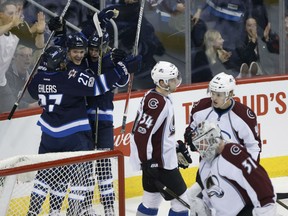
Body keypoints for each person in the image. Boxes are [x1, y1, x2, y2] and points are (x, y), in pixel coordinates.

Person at [26, 42, 132, 215]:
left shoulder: (38, 80)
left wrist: (45, 64)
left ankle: (37, 212)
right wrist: (121, 70)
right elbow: (98, 86)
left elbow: (32, 91)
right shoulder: (69, 78)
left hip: (49, 136)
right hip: (73, 136)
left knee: (45, 178)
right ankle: (73, 212)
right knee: (79, 179)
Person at [184, 72, 262, 204]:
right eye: (212, 93)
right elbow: (190, 131)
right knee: (195, 202)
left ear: (230, 94)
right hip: (207, 169)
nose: (214, 98)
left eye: (219, 95)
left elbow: (253, 147)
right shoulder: (200, 108)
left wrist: (249, 172)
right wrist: (191, 139)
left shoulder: (244, 116)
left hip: (233, 171)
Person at [130, 61, 192, 216]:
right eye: (172, 79)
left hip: (155, 162)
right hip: (160, 165)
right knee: (182, 204)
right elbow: (141, 135)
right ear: (163, 82)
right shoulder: (157, 102)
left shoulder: (160, 97)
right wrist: (147, 162)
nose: (176, 81)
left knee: (150, 202)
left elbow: (159, 134)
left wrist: (174, 148)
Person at [188, 120, 277, 216]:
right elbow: (212, 195)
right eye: (198, 146)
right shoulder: (204, 166)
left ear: (212, 138)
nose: (201, 149)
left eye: (202, 143)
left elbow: (258, 179)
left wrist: (266, 206)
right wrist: (202, 205)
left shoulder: (230, 153)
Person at [0, 0, 45, 113]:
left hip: (1, 82)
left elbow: (39, 46)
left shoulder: (16, 33)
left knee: (12, 114)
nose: (14, 17)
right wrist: (11, 24)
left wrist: (40, 32)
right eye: (11, 14)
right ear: (1, 14)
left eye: (16, 14)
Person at [6, 44, 38, 109]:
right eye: (23, 55)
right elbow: (7, 99)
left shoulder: (33, 74)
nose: (28, 58)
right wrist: (29, 106)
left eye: (30, 55)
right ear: (15, 57)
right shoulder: (6, 75)